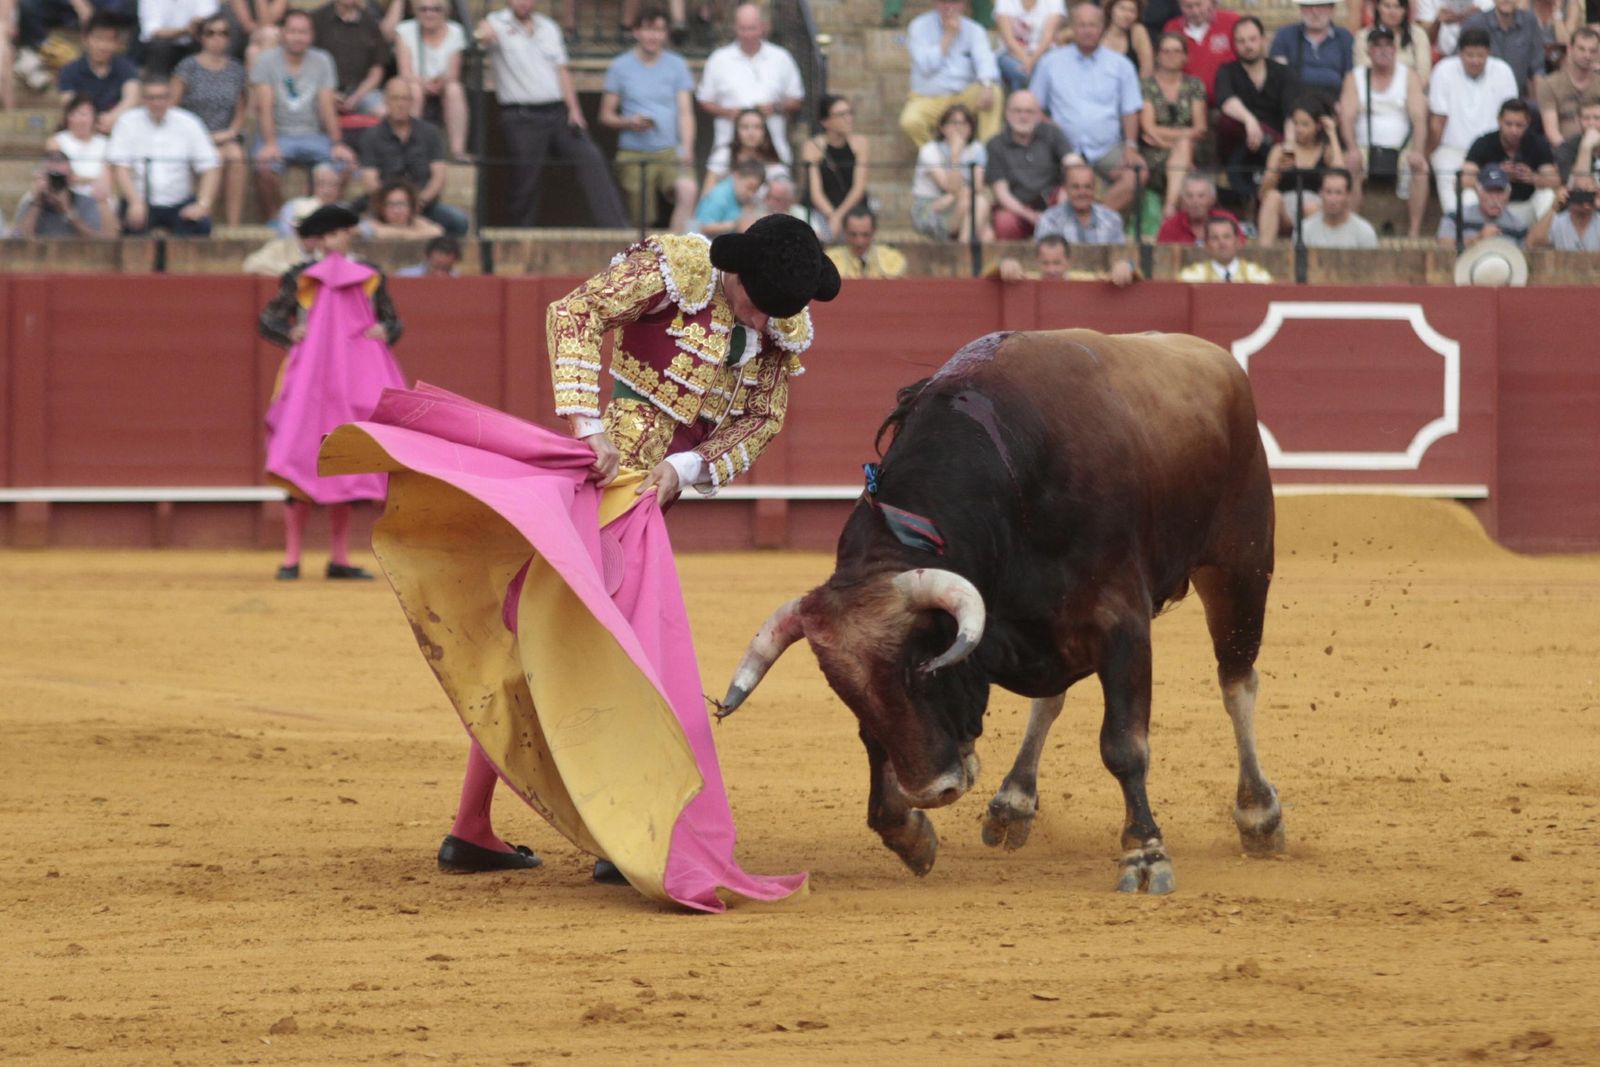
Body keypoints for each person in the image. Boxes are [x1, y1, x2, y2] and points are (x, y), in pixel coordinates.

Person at [258, 203, 405, 582]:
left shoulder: (371, 275)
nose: (341, 239)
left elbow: (392, 319)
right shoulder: (299, 275)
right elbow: (269, 318)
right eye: (335, 233)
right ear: (322, 238)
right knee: (302, 454)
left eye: (344, 232)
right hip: (309, 377)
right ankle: (291, 558)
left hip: (352, 377)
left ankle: (338, 557)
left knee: (344, 460)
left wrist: (384, 331)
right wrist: (290, 333)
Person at [477, 0, 628, 228]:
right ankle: (519, 236)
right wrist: (482, 33)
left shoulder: (548, 27)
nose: (524, 3)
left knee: (591, 158)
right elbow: (480, 39)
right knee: (525, 179)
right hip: (521, 116)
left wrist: (575, 110)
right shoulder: (496, 23)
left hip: (558, 112)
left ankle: (618, 230)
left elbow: (562, 70)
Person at [1030, 1, 1145, 213]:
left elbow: (1130, 109)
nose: (1087, 31)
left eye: (1092, 25)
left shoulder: (1121, 65)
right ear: (1072, 29)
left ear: (1102, 27)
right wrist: (1050, 128)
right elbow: (1033, 106)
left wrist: (1130, 145)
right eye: (1081, 25)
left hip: (1106, 148)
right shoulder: (1050, 63)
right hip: (1061, 149)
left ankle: (1095, 218)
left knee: (1137, 173)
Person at [251, 10, 357, 221]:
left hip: (313, 135)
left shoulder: (322, 60)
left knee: (346, 165)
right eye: (292, 31)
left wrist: (336, 143)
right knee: (264, 167)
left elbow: (327, 106)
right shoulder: (266, 61)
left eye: (303, 32)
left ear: (312, 35)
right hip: (279, 134)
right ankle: (277, 219)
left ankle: (328, 217)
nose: (298, 37)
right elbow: (265, 106)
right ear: (282, 33)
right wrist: (271, 143)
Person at [602, 6, 698, 233]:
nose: (652, 36)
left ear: (666, 34)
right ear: (636, 32)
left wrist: (687, 149)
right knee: (641, 218)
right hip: (633, 152)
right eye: (647, 30)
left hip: (669, 150)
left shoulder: (677, 65)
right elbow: (605, 115)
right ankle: (646, 261)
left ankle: (676, 249)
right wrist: (629, 122)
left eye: (658, 30)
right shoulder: (619, 67)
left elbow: (685, 112)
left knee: (688, 189)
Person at [1339, 25, 1431, 237]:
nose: (1383, 50)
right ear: (1368, 50)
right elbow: (1346, 117)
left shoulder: (1409, 76)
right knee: (1350, 164)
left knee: (1421, 168)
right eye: (1377, 46)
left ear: (1395, 49)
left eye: (1388, 45)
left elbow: (1419, 118)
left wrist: (1418, 151)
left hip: (1402, 147)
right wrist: (1352, 148)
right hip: (1363, 146)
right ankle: (1350, 231)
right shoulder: (1355, 77)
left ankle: (1414, 231)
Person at [107, 73, 221, 236]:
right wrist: (134, 202)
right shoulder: (127, 122)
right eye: (151, 98)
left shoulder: (189, 122)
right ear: (143, 99)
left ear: (170, 98)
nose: (157, 103)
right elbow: (120, 167)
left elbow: (210, 166)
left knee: (200, 227)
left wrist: (203, 204)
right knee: (131, 230)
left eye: (162, 97)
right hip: (140, 201)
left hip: (179, 202)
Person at [358, 77, 468, 236]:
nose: (400, 104)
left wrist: (417, 202)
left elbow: (439, 177)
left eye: (405, 98)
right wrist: (391, 206)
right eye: (395, 98)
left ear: (412, 102)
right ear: (386, 101)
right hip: (384, 207)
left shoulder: (430, 133)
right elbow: (370, 181)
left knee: (458, 221)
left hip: (422, 205)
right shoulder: (371, 136)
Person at [1427, 27, 1518, 215]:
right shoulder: (1443, 70)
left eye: (1480, 55)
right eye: (1470, 55)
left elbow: (1511, 117)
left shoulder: (1503, 71)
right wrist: (1426, 153)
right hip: (1451, 149)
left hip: (1491, 151)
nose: (1475, 61)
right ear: (1460, 53)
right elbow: (1437, 121)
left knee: (1492, 196)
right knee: (1454, 205)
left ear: (1489, 53)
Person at [697, 3, 805, 160]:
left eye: (752, 28)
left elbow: (796, 99)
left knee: (779, 184)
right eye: (743, 28)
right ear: (735, 28)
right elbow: (704, 100)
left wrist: (775, 107)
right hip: (727, 151)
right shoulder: (718, 59)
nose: (747, 34)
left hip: (772, 150)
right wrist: (728, 112)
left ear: (763, 27)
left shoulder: (781, 58)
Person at [174, 14, 248, 227]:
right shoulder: (187, 67)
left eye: (223, 33)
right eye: (211, 33)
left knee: (236, 156)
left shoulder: (236, 69)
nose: (218, 38)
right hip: (194, 135)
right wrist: (199, 136)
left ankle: (234, 224)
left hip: (225, 134)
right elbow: (174, 108)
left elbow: (241, 106)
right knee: (213, 156)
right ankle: (206, 220)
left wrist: (232, 131)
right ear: (202, 37)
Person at [900, 0, 1002, 147]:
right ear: (935, 3)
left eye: (954, 2)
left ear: (964, 4)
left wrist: (986, 84)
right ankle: (937, 159)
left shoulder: (974, 29)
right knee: (910, 121)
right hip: (928, 98)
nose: (949, 7)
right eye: (944, 2)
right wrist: (948, 36)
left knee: (993, 92)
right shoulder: (918, 26)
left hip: (963, 95)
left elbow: (985, 60)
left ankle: (989, 157)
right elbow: (925, 66)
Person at [1216, 15, 1293, 204]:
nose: (1247, 45)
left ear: (1263, 40)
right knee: (1227, 120)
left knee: (1275, 142)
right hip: (1238, 143)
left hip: (1274, 142)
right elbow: (1226, 100)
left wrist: (1290, 146)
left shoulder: (1282, 72)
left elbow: (1291, 110)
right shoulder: (1227, 71)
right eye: (1241, 41)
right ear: (1234, 44)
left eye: (1252, 39)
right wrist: (1250, 121)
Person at [986, 89, 1076, 240]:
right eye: (1017, 111)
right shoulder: (995, 144)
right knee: (1004, 221)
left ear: (1039, 115)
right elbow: (1001, 193)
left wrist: (1067, 188)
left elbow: (1072, 162)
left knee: (1072, 195)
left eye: (1029, 111)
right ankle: (1010, 261)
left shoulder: (1052, 133)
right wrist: (1028, 214)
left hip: (1054, 202)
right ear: (1007, 114)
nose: (1023, 116)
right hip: (1018, 207)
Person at [1258, 97, 1343, 245]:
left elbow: (1341, 176)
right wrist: (1277, 171)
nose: (1299, 129)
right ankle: (1264, 253)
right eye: (1296, 123)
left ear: (1317, 126)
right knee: (1272, 197)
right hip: (1285, 209)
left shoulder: (1326, 151)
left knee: (1310, 207)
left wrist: (1332, 134)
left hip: (1315, 207)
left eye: (1305, 124)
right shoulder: (1280, 150)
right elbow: (1263, 193)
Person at [1461, 97, 1559, 226]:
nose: (1514, 130)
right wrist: (1495, 174)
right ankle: (1470, 235)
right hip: (1489, 206)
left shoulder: (1538, 143)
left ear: (1528, 122)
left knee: (1547, 195)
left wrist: (1533, 178)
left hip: (1524, 207)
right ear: (1499, 121)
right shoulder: (1483, 143)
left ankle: (1544, 242)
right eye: (1508, 124)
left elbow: (1555, 181)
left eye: (1519, 125)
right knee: (1468, 195)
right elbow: (1464, 179)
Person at [1140, 32, 1208, 214]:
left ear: (1185, 56)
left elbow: (1200, 129)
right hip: (1154, 153)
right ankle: (1171, 211)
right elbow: (1148, 127)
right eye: (1166, 51)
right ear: (1157, 55)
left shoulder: (1195, 85)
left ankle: (1169, 208)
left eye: (1177, 51)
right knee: (1184, 148)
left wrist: (1165, 138)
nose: (1171, 56)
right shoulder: (1146, 86)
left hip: (1191, 149)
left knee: (1185, 146)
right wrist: (1182, 137)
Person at [394, 0, 468, 159]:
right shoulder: (404, 30)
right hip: (414, 82)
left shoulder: (455, 31)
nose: (429, 14)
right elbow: (405, 72)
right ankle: (410, 148)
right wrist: (423, 83)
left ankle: (457, 150)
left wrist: (441, 81)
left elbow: (453, 73)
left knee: (455, 89)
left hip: (442, 83)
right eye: (424, 9)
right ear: (416, 11)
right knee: (413, 90)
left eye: (436, 9)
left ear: (444, 11)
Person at [911, 101, 991, 241]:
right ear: (943, 128)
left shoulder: (977, 149)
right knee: (978, 212)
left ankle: (962, 251)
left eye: (964, 123)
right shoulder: (930, 151)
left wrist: (953, 197)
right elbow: (950, 187)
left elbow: (977, 187)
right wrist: (955, 154)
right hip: (931, 207)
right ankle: (964, 255)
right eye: (953, 123)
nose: (958, 128)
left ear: (971, 128)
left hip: (959, 202)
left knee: (987, 233)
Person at [800, 93, 871, 243]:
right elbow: (815, 192)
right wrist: (831, 215)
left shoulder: (860, 143)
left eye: (850, 113)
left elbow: (859, 187)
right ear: (825, 121)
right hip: (822, 208)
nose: (848, 118)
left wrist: (839, 216)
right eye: (841, 114)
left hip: (851, 206)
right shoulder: (812, 146)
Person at [55, 13, 139, 132]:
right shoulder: (70, 70)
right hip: (81, 129)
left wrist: (112, 117)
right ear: (85, 39)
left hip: (116, 126)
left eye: (109, 40)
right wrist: (93, 121)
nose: (103, 46)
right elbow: (69, 103)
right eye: (98, 39)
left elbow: (131, 99)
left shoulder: (126, 67)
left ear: (117, 43)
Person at [311, 0, 389, 118]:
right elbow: (307, 63)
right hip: (322, 90)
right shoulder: (317, 19)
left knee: (385, 112)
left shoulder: (370, 22)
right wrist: (329, 94)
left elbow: (377, 70)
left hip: (362, 92)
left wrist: (356, 97)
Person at [1268, 0, 1354, 103]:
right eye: (1309, 6)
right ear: (1301, 8)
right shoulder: (1285, 35)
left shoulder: (1344, 37)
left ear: (1332, 9)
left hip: (1335, 102)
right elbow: (1279, 76)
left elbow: (1350, 77)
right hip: (1296, 102)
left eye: (1321, 6)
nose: (1315, 12)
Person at [12, 152, 114, 237]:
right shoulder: (31, 203)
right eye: (51, 177)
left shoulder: (86, 202)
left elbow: (95, 242)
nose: (56, 182)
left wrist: (68, 212)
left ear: (71, 178)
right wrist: (37, 202)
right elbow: (21, 239)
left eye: (61, 178)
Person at [1462, 0, 1544, 100]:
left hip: (1516, 102)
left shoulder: (1530, 22)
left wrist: (1540, 106)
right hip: (1478, 98)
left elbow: (1537, 70)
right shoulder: (1475, 23)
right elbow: (1458, 62)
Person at [702, 107, 790, 198]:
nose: (751, 133)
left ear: (765, 132)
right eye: (745, 127)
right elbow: (707, 195)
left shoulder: (773, 161)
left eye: (757, 127)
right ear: (736, 131)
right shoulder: (724, 155)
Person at [1162, 0, 1238, 105]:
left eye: (1199, 4)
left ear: (1210, 2)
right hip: (1188, 105)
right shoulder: (1172, 28)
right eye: (1188, 7)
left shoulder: (1232, 21)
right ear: (1180, 6)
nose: (1195, 11)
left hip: (1229, 103)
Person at [1437, 162, 1531, 244]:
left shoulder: (1518, 227)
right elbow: (1445, 248)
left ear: (1508, 194)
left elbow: (1525, 259)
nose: (1494, 198)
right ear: (1479, 192)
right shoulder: (1455, 217)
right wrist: (1478, 239)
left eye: (1499, 192)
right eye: (1489, 191)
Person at [1035, 160, 1126, 243]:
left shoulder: (1112, 220)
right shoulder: (1050, 220)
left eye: (1087, 187)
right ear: (1065, 188)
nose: (1082, 193)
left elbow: (1119, 257)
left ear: (1094, 189)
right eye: (1075, 187)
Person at [995, 232, 1139, 283]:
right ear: (1037, 262)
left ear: (1068, 262)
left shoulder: (1083, 281)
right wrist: (1003, 263)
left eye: (1057, 263)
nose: (1051, 270)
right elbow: (990, 273)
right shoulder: (1026, 279)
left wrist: (1128, 266)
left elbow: (1130, 275)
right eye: (1046, 263)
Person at [1538, 26, 1599, 146]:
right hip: (1563, 151)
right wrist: (1568, 154)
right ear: (1570, 49)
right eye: (1582, 49)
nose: (1587, 55)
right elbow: (1551, 131)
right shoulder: (1549, 84)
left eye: (1592, 51)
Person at [46, 96, 113, 205]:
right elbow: (68, 177)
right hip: (69, 197)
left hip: (101, 198)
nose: (79, 120)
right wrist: (93, 180)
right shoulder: (56, 141)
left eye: (84, 114)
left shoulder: (106, 144)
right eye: (74, 114)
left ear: (94, 117)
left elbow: (108, 178)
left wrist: (91, 181)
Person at [1352, 0, 1431, 81]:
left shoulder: (1418, 34)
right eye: (1387, 6)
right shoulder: (1363, 36)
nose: (1392, 12)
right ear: (1378, 7)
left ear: (1405, 10)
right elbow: (1362, 70)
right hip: (1374, 90)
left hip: (1411, 90)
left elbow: (1423, 74)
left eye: (1397, 7)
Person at [994, 0, 1064, 91]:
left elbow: (1048, 38)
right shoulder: (1004, 2)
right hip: (1011, 54)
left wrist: (1032, 61)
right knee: (1022, 73)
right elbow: (1008, 39)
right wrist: (1026, 60)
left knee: (1049, 69)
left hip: (1045, 54)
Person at [1298, 168, 1378, 246]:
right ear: (1320, 193)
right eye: (1328, 192)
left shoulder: (1364, 231)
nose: (1332, 199)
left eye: (1338, 193)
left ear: (1348, 195)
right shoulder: (1305, 230)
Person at [1179, 214, 1274, 279]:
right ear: (1206, 245)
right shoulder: (1192, 276)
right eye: (1215, 238)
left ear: (1238, 242)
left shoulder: (1257, 276)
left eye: (1227, 237)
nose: (1222, 242)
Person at [1155, 170, 1238, 243]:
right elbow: (1160, 256)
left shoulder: (1227, 221)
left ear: (1212, 199)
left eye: (1201, 196)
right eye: (1189, 196)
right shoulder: (1170, 226)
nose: (1195, 202)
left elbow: (1242, 251)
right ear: (1182, 201)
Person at [826, 205, 908, 278]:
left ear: (873, 232)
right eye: (853, 234)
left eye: (865, 235)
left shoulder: (892, 259)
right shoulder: (831, 259)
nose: (859, 242)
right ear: (844, 232)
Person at [140, 0, 215, 77]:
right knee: (159, 47)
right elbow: (153, 31)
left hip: (194, 43)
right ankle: (158, 85)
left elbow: (211, 18)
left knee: (213, 38)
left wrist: (198, 23)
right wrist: (186, 30)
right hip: (162, 48)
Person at [692, 157, 765, 234]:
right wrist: (735, 225)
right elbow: (703, 226)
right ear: (737, 176)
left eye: (755, 190)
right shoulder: (719, 195)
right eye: (749, 187)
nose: (751, 194)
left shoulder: (741, 196)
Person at [1527, 174, 1600, 249]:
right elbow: (1532, 243)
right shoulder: (1557, 222)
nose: (1584, 198)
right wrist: (1554, 207)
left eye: (1589, 194)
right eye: (1579, 192)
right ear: (1568, 193)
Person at [362, 177, 445, 238]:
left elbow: (437, 231)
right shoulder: (373, 223)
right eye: (390, 205)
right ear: (381, 208)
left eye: (401, 204)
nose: (396, 210)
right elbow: (365, 230)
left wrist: (401, 233)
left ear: (411, 207)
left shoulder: (417, 222)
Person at [1414, 0, 1491, 61]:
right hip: (1441, 59)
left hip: (1478, 60)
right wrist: (1437, 22)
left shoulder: (1487, 2)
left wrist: (1481, 19)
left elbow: (1497, 38)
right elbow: (1424, 40)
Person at [1102, 0, 1153, 77]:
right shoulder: (1098, 31)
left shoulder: (1137, 31)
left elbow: (1147, 68)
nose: (1127, 15)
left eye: (1132, 11)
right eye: (1122, 8)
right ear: (1111, 9)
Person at [1554, 98, 1600, 182]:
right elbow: (1579, 185)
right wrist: (1586, 147)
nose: (1591, 123)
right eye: (1586, 118)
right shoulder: (1566, 148)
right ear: (1578, 120)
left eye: (1597, 118)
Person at [395, 233, 462, 275]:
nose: (440, 274)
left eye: (445, 268)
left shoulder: (457, 280)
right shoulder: (406, 276)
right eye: (436, 267)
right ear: (427, 256)